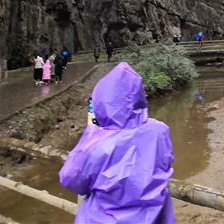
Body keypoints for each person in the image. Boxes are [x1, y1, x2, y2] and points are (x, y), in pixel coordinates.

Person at [59, 62, 174, 223]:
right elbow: (164, 164)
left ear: (101, 102)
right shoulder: (160, 130)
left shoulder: (96, 144)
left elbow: (71, 179)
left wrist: (91, 133)